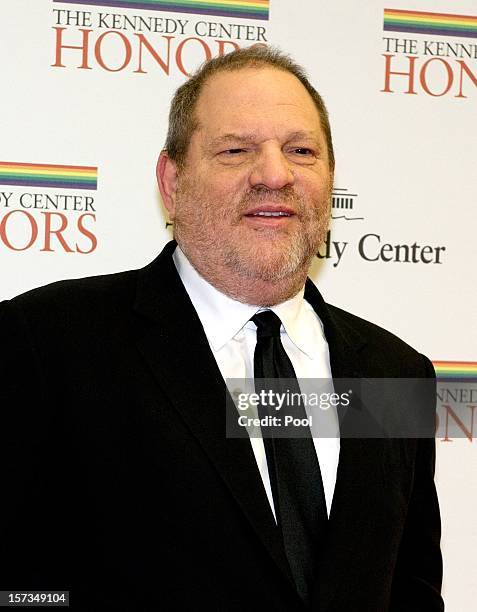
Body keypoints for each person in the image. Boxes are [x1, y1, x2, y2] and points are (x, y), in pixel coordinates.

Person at [0, 46, 443, 610]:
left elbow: (411, 588)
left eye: (301, 151)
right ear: (172, 180)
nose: (275, 175)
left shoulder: (394, 373)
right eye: (236, 150)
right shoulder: (46, 344)